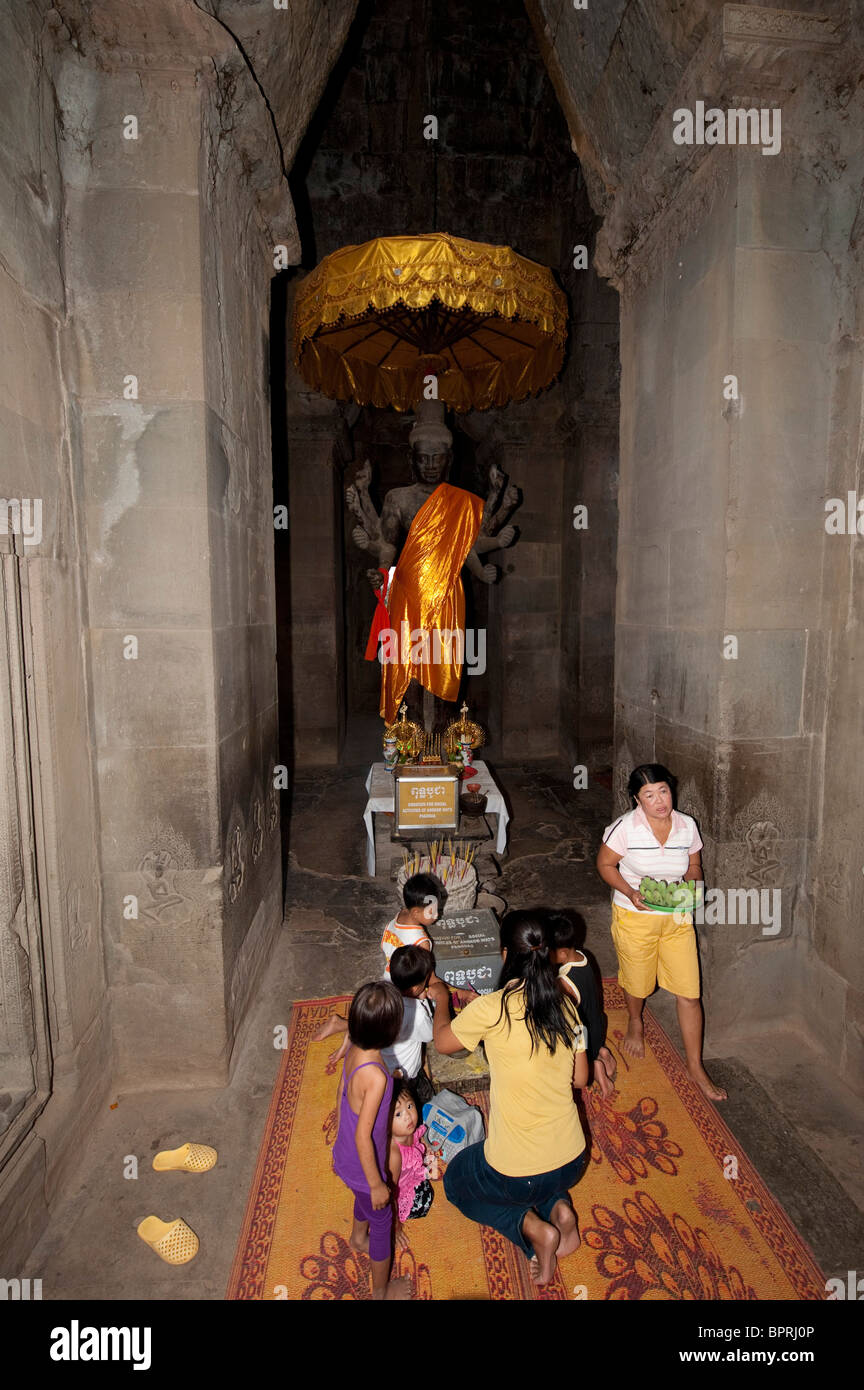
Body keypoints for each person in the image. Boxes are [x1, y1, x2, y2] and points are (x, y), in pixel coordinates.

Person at [426, 911, 589, 1286]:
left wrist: (440, 1001)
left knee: (458, 1181)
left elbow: (443, 1042)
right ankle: (561, 1208)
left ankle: (533, 1229)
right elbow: (581, 1078)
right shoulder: (565, 1005)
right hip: (573, 1159)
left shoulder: (492, 1008)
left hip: (518, 1174)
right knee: (541, 1166)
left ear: (504, 956)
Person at [596, 763, 727, 1102]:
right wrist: (629, 891)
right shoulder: (624, 828)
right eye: (649, 795)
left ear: (672, 789)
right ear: (636, 799)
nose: (659, 801)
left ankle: (695, 1066)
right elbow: (605, 865)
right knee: (638, 982)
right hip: (635, 916)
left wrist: (694, 885)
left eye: (663, 791)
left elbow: (694, 864)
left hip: (677, 918)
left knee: (689, 992)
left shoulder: (687, 826)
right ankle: (636, 1020)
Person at [331, 981, 412, 1300]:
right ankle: (380, 1291)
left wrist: (339, 1138)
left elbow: (341, 1090)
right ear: (392, 1033)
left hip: (348, 1154)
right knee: (382, 1219)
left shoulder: (355, 1049)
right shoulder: (377, 1077)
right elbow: (363, 1135)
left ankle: (356, 1238)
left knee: (362, 1198)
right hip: (363, 1161)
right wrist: (377, 1183)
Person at [544, 911, 617, 1099]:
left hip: (583, 1037)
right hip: (598, 1026)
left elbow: (563, 1018)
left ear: (560, 953)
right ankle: (601, 1051)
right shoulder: (583, 955)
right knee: (594, 1040)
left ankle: (596, 1067)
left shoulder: (565, 983)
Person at [389, 1079, 439, 1231]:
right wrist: (395, 1225)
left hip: (409, 1177)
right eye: (398, 1113)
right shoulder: (394, 1154)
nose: (408, 1116)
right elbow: (389, 1191)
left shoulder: (407, 1130)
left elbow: (417, 1139)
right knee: (423, 1203)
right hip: (399, 1190)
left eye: (410, 1106)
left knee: (427, 1192)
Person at [380, 872, 445, 976]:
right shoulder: (421, 943)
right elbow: (424, 975)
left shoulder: (401, 915)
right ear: (415, 912)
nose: (437, 915)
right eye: (432, 912)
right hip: (406, 986)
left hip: (388, 975)